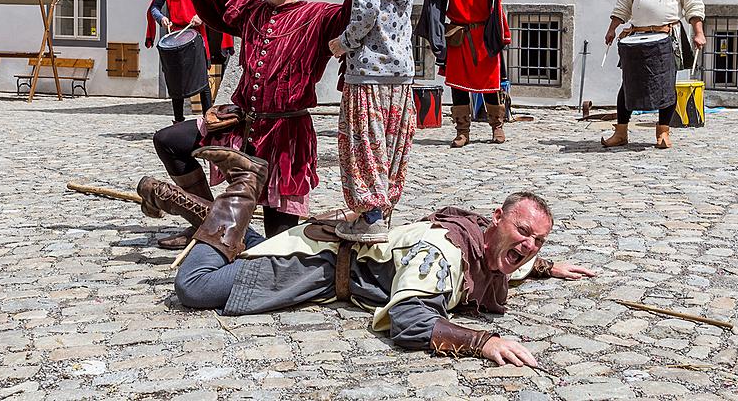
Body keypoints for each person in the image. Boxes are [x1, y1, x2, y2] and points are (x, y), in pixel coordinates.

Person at [137, 151, 594, 367]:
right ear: (498, 219)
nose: (530, 246)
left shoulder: (487, 244)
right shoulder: (442, 255)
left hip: (326, 251)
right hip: (310, 266)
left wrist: (547, 266)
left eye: (539, 242)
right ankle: (244, 182)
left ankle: (177, 200)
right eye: (525, 233)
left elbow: (500, 262)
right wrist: (482, 342)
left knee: (248, 243)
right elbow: (410, 321)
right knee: (195, 288)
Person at [133, 0, 351, 256]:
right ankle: (205, 223)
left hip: (285, 137)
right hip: (239, 124)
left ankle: (244, 245)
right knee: (170, 141)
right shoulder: (249, 10)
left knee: (275, 244)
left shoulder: (318, 17)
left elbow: (356, 13)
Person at [328, 0, 422, 243]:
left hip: (368, 67)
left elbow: (366, 12)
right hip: (401, 69)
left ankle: (370, 217)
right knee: (392, 143)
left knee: (365, 144)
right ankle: (382, 213)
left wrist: (343, 43)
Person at [602, 0, 705, 149]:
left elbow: (693, 5)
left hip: (667, 36)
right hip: (637, 35)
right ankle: (621, 132)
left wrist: (698, 32)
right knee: (628, 84)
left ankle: (663, 134)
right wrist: (612, 28)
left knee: (666, 85)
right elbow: (623, 3)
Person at [417, 0, 511, 148]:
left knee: (490, 84)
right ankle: (462, 131)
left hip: (483, 35)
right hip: (458, 34)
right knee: (458, 85)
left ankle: (497, 126)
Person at [144, 0, 213, 123]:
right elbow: (155, 8)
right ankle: (178, 121)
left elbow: (213, 7)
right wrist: (161, 18)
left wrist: (202, 16)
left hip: (196, 34)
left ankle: (209, 120)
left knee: (203, 81)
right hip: (176, 35)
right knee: (177, 81)